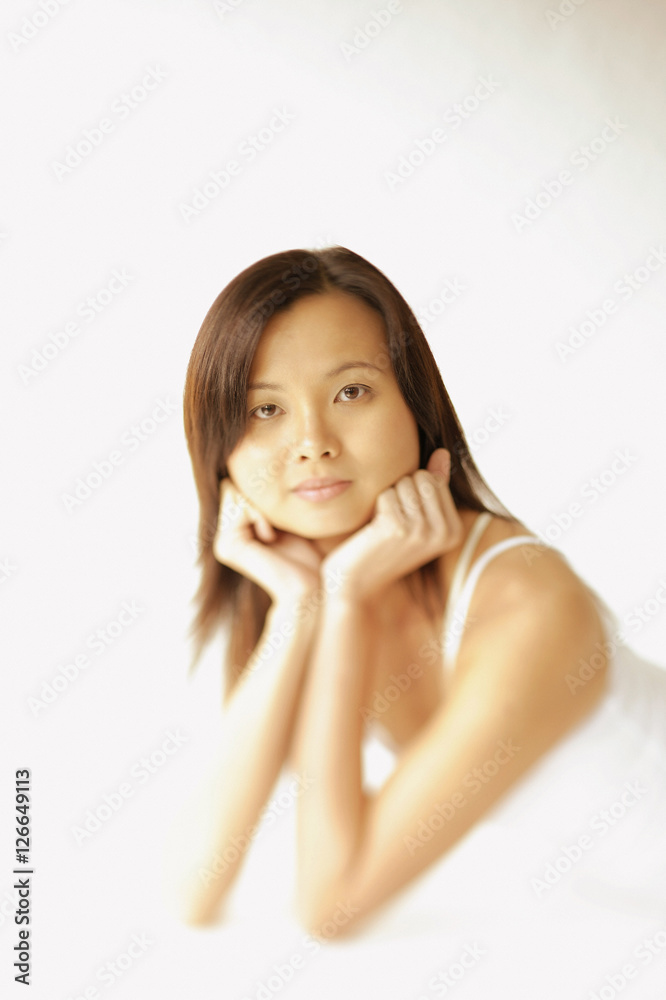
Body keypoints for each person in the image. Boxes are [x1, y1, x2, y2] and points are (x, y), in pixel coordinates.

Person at [166, 246, 666, 951]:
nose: (312, 444)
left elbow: (329, 906)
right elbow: (191, 886)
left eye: (351, 392)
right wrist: (302, 608)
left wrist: (340, 600)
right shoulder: (323, 583)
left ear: (415, 405)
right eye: (266, 409)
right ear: (221, 456)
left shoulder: (523, 599)